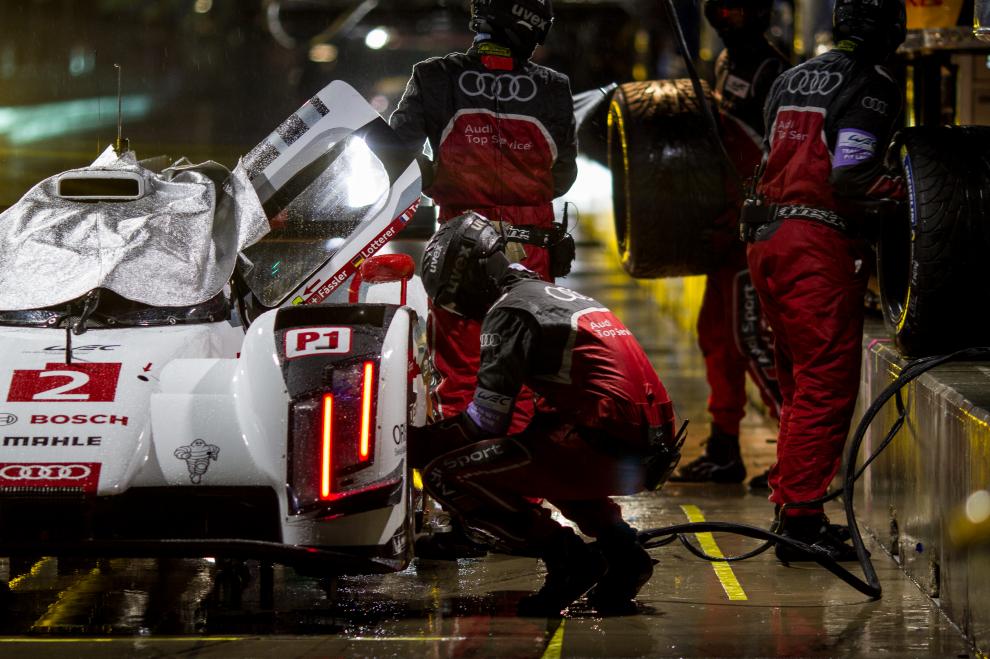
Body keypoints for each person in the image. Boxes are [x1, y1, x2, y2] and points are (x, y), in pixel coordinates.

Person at [410, 213, 683, 616]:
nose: (462, 310)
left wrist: (415, 444)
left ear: (474, 273)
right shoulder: (551, 295)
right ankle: (624, 554)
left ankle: (569, 560)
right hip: (647, 441)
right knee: (539, 442)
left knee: (444, 475)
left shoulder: (509, 311)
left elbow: (485, 422)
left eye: (456, 294)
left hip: (607, 442)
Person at [740, 0, 907, 561]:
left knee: (796, 384)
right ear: (891, 30)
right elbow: (852, 174)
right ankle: (803, 525)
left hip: (767, 241)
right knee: (823, 385)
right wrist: (915, 198)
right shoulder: (872, 82)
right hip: (815, 245)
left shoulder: (790, 76)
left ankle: (793, 507)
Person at [389, 0, 577, 432]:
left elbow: (397, 155)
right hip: (531, 250)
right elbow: (563, 176)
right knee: (526, 373)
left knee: (460, 375)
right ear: (529, 26)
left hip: (460, 246)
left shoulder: (433, 77)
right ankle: (520, 492)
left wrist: (437, 178)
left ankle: (465, 486)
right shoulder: (553, 87)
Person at [672, 0, 786, 486]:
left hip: (756, 228)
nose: (726, 15)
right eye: (718, 7)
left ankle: (796, 457)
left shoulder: (773, 71)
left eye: (736, 6)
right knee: (715, 338)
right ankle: (723, 450)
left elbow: (781, 151)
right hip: (725, 229)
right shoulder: (722, 64)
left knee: (753, 342)